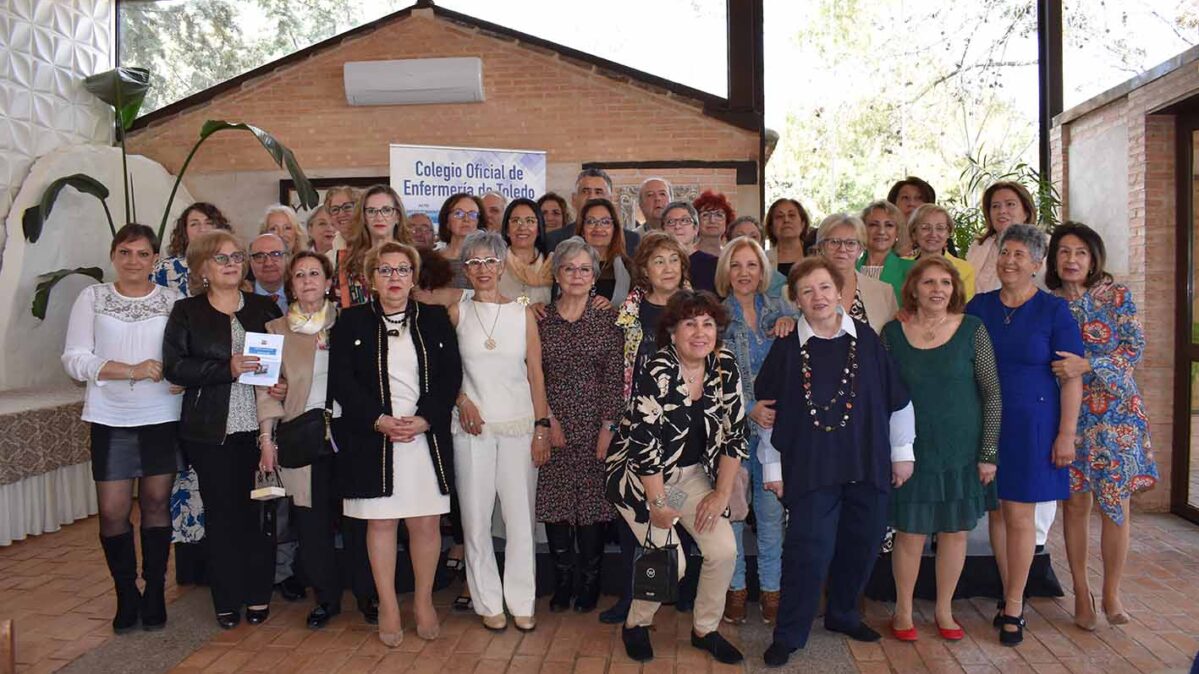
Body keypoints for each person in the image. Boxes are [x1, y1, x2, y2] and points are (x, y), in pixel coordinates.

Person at [755, 257, 915, 668]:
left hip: (867, 464)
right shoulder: (787, 349)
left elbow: (899, 402)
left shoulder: (868, 339)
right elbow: (768, 414)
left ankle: (844, 615)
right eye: (807, 291)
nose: (818, 297)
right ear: (796, 300)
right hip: (810, 470)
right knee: (808, 552)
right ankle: (789, 633)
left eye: (825, 287)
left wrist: (902, 454)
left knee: (860, 547)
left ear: (840, 291)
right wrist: (772, 469)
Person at [605, 289, 748, 665]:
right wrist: (657, 504)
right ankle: (636, 625)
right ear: (672, 331)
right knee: (672, 560)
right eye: (690, 324)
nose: (700, 332)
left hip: (691, 476)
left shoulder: (725, 365)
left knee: (723, 550)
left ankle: (705, 630)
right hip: (640, 477)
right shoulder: (658, 368)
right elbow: (643, 444)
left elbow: (736, 435)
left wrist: (720, 494)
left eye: (707, 324)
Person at [330, 241, 462, 647]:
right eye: (385, 271)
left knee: (424, 522)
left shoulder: (436, 319)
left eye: (402, 270)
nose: (394, 278)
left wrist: (425, 418)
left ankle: (423, 601)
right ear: (372, 279)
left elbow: (451, 376)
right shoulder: (350, 322)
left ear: (413, 276)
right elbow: (342, 383)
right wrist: (379, 420)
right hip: (373, 439)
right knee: (382, 522)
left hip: (424, 438)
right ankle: (387, 604)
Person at [965, 224, 1084, 646]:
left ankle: (1015, 604)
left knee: (1019, 516)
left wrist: (1066, 434)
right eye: (1004, 253)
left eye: (1019, 255)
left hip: (1034, 425)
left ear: (1037, 264)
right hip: (986, 423)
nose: (1009, 261)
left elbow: (1072, 377)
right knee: (997, 512)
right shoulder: (978, 306)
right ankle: (1007, 590)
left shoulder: (1054, 311)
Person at [62, 223, 183, 633]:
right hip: (110, 418)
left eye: (143, 254)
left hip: (162, 416)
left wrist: (183, 373)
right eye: (126, 252)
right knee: (113, 511)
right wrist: (126, 370)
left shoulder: (172, 299)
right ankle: (125, 593)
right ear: (114, 255)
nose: (134, 261)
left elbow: (183, 353)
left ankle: (153, 592)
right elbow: (74, 358)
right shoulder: (92, 297)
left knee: (154, 504)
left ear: (155, 259)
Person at [162, 230, 283, 629]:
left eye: (236, 256)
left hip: (259, 430)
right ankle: (227, 598)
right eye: (221, 258)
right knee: (222, 517)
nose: (232, 264)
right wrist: (224, 369)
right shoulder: (186, 311)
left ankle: (258, 594)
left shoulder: (264, 307)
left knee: (259, 516)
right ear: (202, 269)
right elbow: (175, 368)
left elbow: (283, 366)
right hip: (211, 433)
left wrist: (283, 383)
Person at [881, 256, 1000, 643]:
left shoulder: (972, 329)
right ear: (913, 288)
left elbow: (992, 393)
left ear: (955, 289)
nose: (937, 290)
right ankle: (902, 609)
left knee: (954, 533)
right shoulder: (892, 333)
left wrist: (988, 452)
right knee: (910, 533)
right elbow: (880, 395)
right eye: (929, 282)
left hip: (961, 450)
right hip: (911, 452)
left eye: (945, 283)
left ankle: (944, 609)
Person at [1045, 223, 1158, 630]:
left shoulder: (1117, 296)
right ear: (1054, 260)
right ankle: (1081, 591)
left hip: (1117, 416)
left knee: (1116, 506)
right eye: (1063, 252)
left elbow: (1134, 347)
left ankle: (1112, 592)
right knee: (1075, 505)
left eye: (1080, 253)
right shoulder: (1047, 303)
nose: (1071, 260)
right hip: (1068, 417)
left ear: (1093, 259)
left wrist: (1089, 363)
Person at [447, 230, 551, 632]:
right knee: (474, 519)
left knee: (520, 518)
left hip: (520, 427)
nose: (482, 270)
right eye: (473, 263)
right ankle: (487, 600)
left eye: (489, 261)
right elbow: (441, 372)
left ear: (502, 263)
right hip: (472, 429)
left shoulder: (522, 312)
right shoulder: (458, 309)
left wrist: (541, 427)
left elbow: (536, 373)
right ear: (465, 269)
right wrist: (461, 399)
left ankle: (521, 599)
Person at [601, 230, 693, 624]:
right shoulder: (629, 312)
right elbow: (615, 370)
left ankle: (679, 589)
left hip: (685, 429)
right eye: (659, 260)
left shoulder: (696, 308)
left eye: (673, 259)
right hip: (636, 427)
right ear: (644, 270)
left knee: (679, 508)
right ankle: (633, 596)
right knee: (633, 517)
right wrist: (610, 423)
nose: (667, 267)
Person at [254, 251, 344, 629]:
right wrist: (265, 438)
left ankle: (370, 596)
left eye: (315, 273)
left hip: (351, 434)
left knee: (358, 520)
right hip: (303, 436)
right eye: (300, 275)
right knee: (311, 522)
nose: (308, 280)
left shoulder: (351, 323)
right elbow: (264, 392)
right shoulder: (273, 330)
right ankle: (326, 598)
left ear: (328, 282)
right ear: (290, 285)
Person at [537, 237, 624, 613]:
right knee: (555, 505)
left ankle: (589, 583)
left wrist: (608, 426)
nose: (576, 275)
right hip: (552, 422)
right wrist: (548, 420)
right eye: (568, 268)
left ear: (594, 276)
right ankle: (563, 581)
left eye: (584, 269)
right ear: (557, 275)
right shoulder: (540, 319)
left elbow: (615, 377)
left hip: (594, 424)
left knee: (592, 508)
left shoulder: (609, 319)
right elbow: (531, 374)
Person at [713, 237, 796, 625]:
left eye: (751, 265)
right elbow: (707, 378)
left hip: (774, 434)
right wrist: (748, 407)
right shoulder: (713, 316)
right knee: (730, 514)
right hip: (731, 431)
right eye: (736, 265)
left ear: (763, 271)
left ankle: (772, 592)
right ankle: (735, 591)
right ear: (725, 271)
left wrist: (793, 324)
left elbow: (796, 367)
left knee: (770, 517)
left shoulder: (782, 311)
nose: (744, 273)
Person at [152, 202, 231, 586]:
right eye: (193, 224)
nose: (200, 229)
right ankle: (192, 562)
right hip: (175, 388)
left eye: (208, 223)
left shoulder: (228, 270)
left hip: (217, 391)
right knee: (184, 480)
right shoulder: (165, 271)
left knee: (217, 484)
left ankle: (221, 559)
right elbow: (159, 330)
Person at [815, 213, 898, 333]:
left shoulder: (884, 292)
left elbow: (891, 340)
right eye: (834, 242)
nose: (842, 249)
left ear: (860, 249)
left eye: (851, 243)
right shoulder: (798, 291)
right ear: (821, 247)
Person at [333, 184, 410, 308]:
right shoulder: (347, 262)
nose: (379, 217)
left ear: (398, 217)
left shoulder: (413, 260)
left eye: (386, 210)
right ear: (363, 218)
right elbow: (339, 307)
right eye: (371, 211)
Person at [545, 168, 641, 253]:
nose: (591, 197)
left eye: (598, 192)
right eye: (585, 192)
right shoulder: (553, 241)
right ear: (574, 199)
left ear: (610, 200)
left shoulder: (631, 240)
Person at [965, 181, 1036, 294]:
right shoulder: (978, 246)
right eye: (995, 206)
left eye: (1010, 204)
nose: (1002, 211)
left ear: (1026, 212)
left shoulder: (1044, 246)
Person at [153, 202, 231, 296]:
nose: (202, 229)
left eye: (209, 223)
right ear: (184, 231)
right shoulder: (165, 269)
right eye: (194, 224)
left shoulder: (233, 263)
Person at [908, 204, 976, 301]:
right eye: (925, 228)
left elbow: (962, 308)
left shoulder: (964, 269)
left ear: (948, 233)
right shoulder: (901, 266)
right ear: (914, 233)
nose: (933, 234)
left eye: (940, 228)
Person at [577, 198, 633, 305]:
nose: (598, 228)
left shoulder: (629, 268)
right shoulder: (568, 264)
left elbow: (635, 312)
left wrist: (612, 311)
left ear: (614, 229)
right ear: (582, 230)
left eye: (605, 222)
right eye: (591, 222)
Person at [499, 198, 553, 306]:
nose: (523, 227)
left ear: (538, 230)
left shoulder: (552, 266)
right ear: (507, 230)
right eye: (515, 221)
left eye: (530, 221)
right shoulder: (495, 264)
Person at [856, 200, 913, 301]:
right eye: (874, 225)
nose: (881, 231)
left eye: (889, 225)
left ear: (897, 232)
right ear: (862, 230)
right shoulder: (849, 269)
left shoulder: (911, 269)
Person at [662, 201, 718, 293]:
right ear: (663, 230)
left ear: (696, 229)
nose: (677, 226)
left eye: (684, 221)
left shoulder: (713, 264)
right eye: (670, 222)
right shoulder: (657, 264)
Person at [435, 193, 484, 289]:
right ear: (447, 221)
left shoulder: (486, 260)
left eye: (472, 214)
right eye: (458, 213)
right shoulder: (432, 260)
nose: (466, 219)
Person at [886, 176, 936, 255]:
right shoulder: (881, 243)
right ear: (893, 206)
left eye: (919, 198)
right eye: (905, 198)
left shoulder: (940, 244)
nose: (911, 204)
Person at [764, 198, 810, 278]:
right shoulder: (763, 260)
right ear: (771, 227)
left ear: (803, 224)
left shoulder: (815, 256)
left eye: (792, 215)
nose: (786, 220)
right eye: (779, 216)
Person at [248, 233, 290, 315]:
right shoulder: (238, 299)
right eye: (259, 256)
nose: (268, 263)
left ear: (287, 258)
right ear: (250, 262)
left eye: (276, 254)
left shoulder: (301, 295)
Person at [694, 190, 733, 258]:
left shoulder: (731, 257)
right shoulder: (686, 256)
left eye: (719, 215)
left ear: (727, 221)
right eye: (705, 215)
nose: (712, 220)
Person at [324, 185, 358, 251]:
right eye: (335, 209)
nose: (341, 214)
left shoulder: (375, 243)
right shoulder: (329, 256)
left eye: (347, 207)